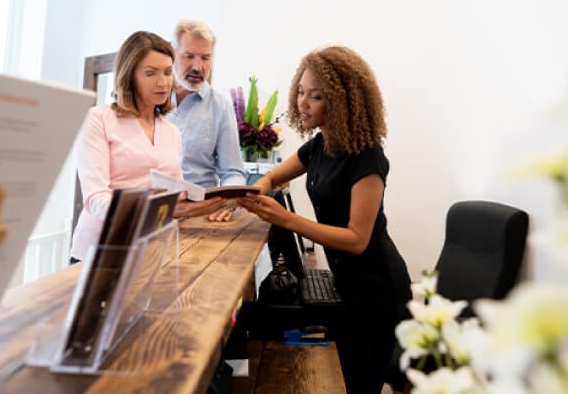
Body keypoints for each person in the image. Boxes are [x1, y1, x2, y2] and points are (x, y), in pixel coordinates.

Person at [237, 46, 412, 393]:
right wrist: (258, 191)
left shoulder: (367, 157)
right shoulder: (318, 147)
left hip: (378, 291)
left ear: (343, 102)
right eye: (300, 92)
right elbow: (271, 178)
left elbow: (356, 239)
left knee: (361, 384)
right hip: (347, 284)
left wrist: (287, 219)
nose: (303, 103)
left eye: (315, 96)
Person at [70, 31, 227, 263]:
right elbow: (96, 200)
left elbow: (175, 193)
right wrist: (165, 209)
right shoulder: (98, 119)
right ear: (129, 75)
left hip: (152, 254)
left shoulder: (171, 131)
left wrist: (201, 203)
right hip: (101, 254)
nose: (163, 82)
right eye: (150, 73)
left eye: (167, 72)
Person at [166, 20, 247, 222]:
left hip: (201, 219)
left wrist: (229, 202)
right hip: (154, 217)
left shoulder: (220, 107)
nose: (198, 66)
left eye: (205, 58)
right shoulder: (151, 99)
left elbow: (233, 171)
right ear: (172, 54)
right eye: (189, 56)